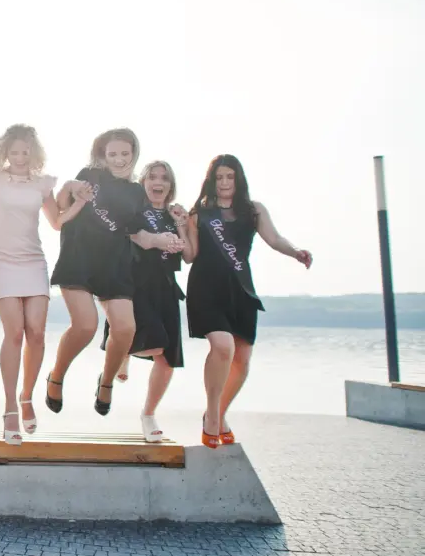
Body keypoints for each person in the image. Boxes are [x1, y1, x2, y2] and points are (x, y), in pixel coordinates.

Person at [46, 128, 184, 417]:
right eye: (113, 154)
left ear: (134, 154)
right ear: (103, 155)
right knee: (85, 326)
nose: (119, 159)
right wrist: (70, 186)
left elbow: (138, 234)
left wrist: (161, 240)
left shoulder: (136, 193)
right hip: (78, 258)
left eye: (125, 153)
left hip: (114, 264)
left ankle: (106, 383)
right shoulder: (90, 174)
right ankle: (56, 376)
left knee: (125, 328)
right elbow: (60, 206)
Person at [185, 154, 312, 448]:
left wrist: (295, 251)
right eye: (219, 177)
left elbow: (275, 238)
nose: (225, 182)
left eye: (230, 177)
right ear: (211, 180)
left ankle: (217, 413)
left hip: (241, 290)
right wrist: (183, 228)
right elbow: (190, 255)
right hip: (206, 288)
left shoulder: (253, 211)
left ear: (238, 179)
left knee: (241, 359)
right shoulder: (199, 213)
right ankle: (213, 419)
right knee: (222, 346)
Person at [0, 125, 61, 445]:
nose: (20, 156)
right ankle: (10, 408)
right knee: (14, 332)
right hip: (0, 260)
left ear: (33, 154)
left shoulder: (42, 184)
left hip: (34, 261)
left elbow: (57, 221)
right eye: (15, 151)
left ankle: (27, 396)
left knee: (36, 332)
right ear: (5, 152)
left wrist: (81, 198)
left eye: (26, 151)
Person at [99, 161, 193, 442]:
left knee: (167, 360)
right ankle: (123, 353)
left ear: (170, 185)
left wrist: (181, 227)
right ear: (143, 182)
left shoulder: (175, 214)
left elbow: (188, 256)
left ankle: (148, 414)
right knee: (154, 344)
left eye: (164, 178)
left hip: (165, 287)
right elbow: (129, 235)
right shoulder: (134, 209)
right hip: (134, 285)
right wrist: (156, 240)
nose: (158, 182)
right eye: (152, 177)